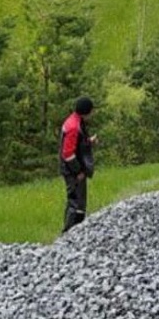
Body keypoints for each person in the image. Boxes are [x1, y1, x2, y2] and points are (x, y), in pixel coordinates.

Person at [60, 97, 97, 233]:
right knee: (75, 202)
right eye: (92, 111)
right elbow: (68, 154)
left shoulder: (76, 121)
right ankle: (70, 233)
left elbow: (77, 144)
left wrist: (88, 141)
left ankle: (78, 231)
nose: (93, 114)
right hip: (73, 171)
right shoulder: (74, 127)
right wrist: (79, 171)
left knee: (79, 202)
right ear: (86, 111)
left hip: (74, 169)